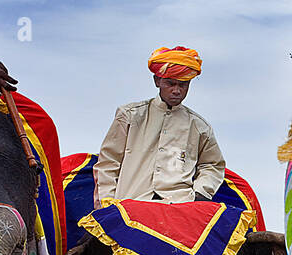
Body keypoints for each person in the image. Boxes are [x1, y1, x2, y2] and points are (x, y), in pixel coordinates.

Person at [92, 47, 226, 206]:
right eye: (170, 83)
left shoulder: (200, 127)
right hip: (130, 203)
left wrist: (200, 194)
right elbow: (108, 163)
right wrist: (106, 204)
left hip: (179, 206)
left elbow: (212, 165)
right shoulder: (129, 115)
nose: (176, 90)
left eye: (183, 85)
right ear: (157, 81)